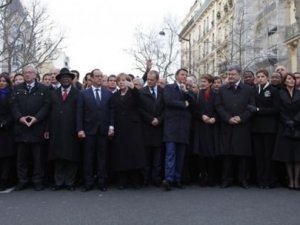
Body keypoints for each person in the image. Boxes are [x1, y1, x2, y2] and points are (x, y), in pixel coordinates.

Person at [11, 65, 50, 191]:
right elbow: (13, 105)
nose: (27, 74)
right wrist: (19, 118)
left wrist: (36, 118)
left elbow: (46, 106)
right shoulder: (16, 88)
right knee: (21, 158)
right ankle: (22, 180)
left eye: (30, 72)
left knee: (38, 158)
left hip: (37, 128)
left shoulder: (44, 89)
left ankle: (37, 181)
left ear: (35, 74)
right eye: (25, 72)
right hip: (21, 128)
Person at [215, 65, 255, 188]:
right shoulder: (222, 89)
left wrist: (241, 118)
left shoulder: (248, 89)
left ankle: (243, 179)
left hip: (242, 126)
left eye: (232, 74)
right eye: (229, 74)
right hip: (227, 125)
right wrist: (228, 118)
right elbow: (218, 106)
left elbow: (251, 107)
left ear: (239, 75)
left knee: (242, 154)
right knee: (227, 154)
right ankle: (227, 179)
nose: (230, 76)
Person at [77, 69, 114, 192]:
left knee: (102, 157)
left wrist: (111, 126)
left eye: (101, 76)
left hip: (103, 130)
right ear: (91, 78)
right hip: (88, 130)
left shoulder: (108, 93)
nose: (99, 78)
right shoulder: (83, 94)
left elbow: (111, 112)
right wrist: (80, 129)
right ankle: (88, 182)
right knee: (88, 157)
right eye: (97, 76)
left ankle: (102, 181)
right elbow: (79, 113)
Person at [46, 68, 80, 191]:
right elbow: (48, 113)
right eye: (63, 77)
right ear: (59, 80)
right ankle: (59, 182)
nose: (65, 79)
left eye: (68, 77)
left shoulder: (78, 93)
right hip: (56, 130)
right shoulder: (53, 94)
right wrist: (47, 129)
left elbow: (80, 113)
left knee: (71, 157)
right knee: (58, 157)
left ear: (71, 79)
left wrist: (79, 129)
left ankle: (70, 182)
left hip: (72, 130)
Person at [111, 73, 145, 189]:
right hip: (120, 127)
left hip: (133, 128)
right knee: (121, 155)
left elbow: (140, 101)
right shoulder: (115, 95)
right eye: (119, 81)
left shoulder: (133, 93)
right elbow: (112, 111)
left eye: (123, 80)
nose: (121, 82)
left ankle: (135, 181)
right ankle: (122, 180)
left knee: (134, 154)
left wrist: (133, 88)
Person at [162, 68, 193, 191]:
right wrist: (183, 104)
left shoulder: (187, 90)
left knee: (181, 155)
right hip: (171, 127)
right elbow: (168, 101)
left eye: (186, 75)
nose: (184, 77)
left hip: (183, 127)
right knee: (170, 154)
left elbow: (192, 103)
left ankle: (177, 178)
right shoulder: (169, 87)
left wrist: (186, 92)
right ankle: (168, 179)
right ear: (176, 76)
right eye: (182, 74)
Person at [250, 69, 279, 188]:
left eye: (262, 76)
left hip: (269, 128)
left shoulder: (273, 90)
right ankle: (260, 180)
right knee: (259, 155)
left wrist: (258, 110)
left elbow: (276, 109)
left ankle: (269, 180)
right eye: (258, 76)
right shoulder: (254, 90)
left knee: (268, 155)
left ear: (267, 77)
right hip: (256, 128)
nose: (260, 78)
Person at [273, 73, 300, 189]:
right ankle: (290, 180)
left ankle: (297, 181)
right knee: (287, 155)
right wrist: (287, 121)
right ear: (284, 81)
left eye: (293, 79)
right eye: (289, 79)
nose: (292, 81)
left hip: (298, 126)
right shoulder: (279, 94)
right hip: (284, 126)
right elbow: (278, 110)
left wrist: (295, 120)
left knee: (298, 156)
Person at [139, 70, 164, 186]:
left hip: (159, 128)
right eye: (148, 79)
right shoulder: (141, 92)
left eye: (152, 80)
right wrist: (150, 119)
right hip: (146, 128)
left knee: (157, 157)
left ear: (157, 80)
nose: (149, 82)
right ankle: (145, 178)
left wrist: (159, 119)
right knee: (146, 156)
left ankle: (156, 178)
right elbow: (140, 109)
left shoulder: (163, 92)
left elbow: (166, 109)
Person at [194, 74, 218, 186]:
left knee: (212, 153)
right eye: (201, 81)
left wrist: (215, 118)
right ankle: (203, 177)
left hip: (212, 127)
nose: (202, 83)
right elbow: (194, 110)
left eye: (204, 81)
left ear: (210, 83)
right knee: (202, 153)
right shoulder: (198, 94)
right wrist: (201, 116)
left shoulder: (216, 95)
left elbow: (219, 108)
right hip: (201, 127)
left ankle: (212, 178)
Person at [0, 74, 15, 190]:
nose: (1, 83)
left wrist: (5, 123)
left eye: (4, 81)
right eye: (0, 81)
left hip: (6, 130)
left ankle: (5, 180)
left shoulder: (11, 94)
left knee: (6, 156)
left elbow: (13, 111)